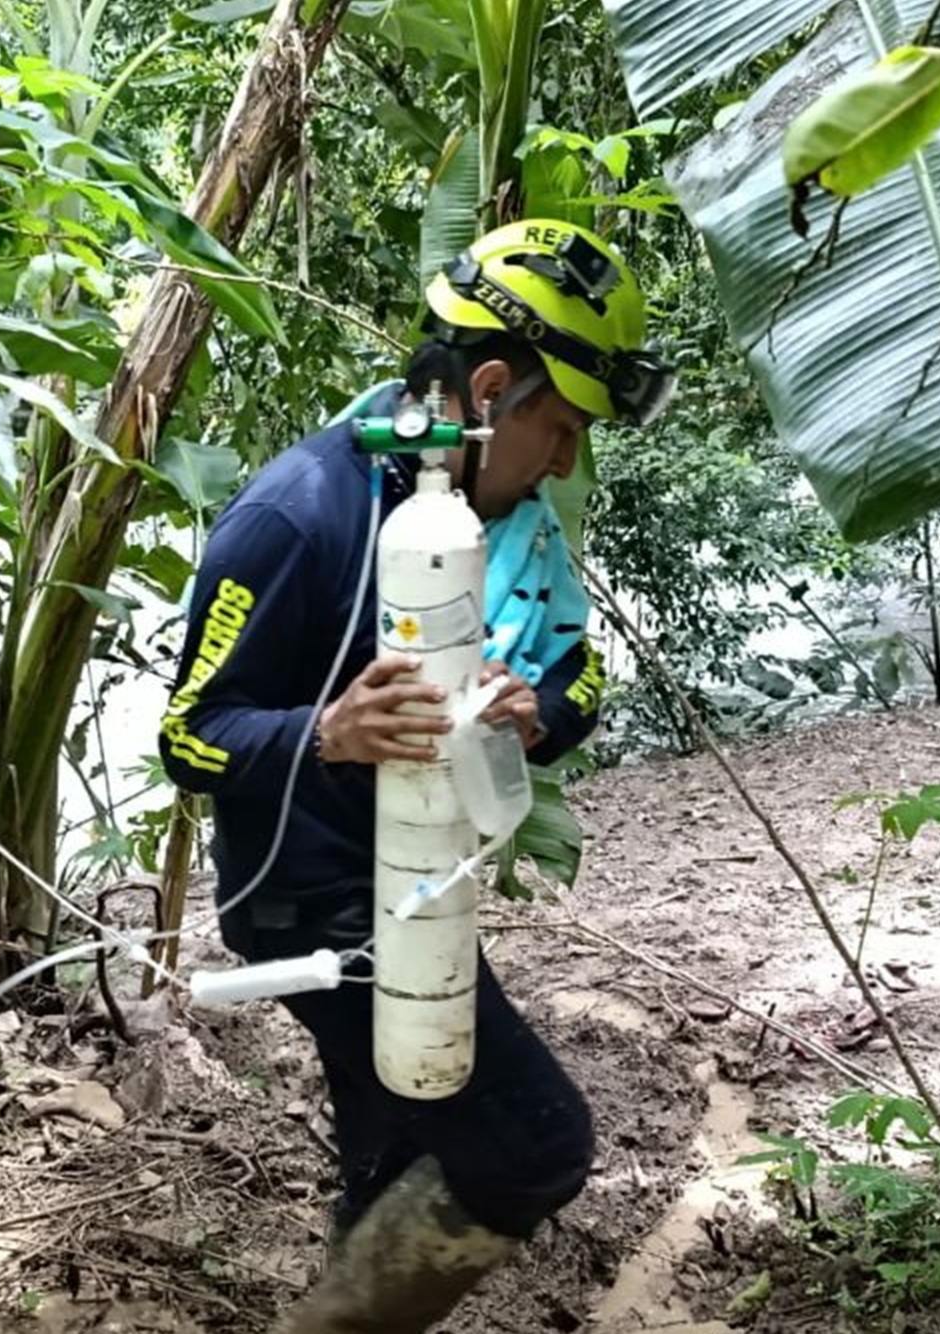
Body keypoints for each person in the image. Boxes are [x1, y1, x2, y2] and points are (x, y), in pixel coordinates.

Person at [158, 219, 674, 1331]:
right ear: (488, 391)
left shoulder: (512, 528)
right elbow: (189, 738)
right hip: (315, 903)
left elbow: (579, 674)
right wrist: (327, 732)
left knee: (394, 1152)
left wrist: (538, 715)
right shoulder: (300, 515)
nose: (565, 462)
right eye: (559, 426)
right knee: (535, 1145)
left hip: (426, 882)